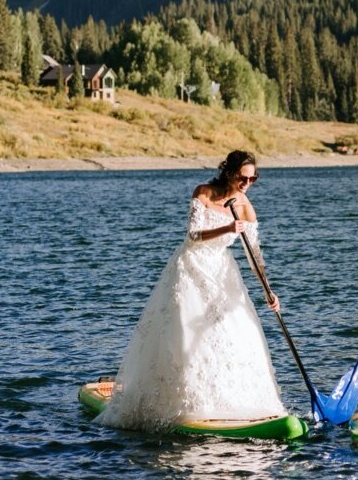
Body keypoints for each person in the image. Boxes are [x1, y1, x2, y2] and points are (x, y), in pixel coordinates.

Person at [99, 150, 287, 429]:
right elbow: (193, 235)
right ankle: (181, 405)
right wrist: (226, 228)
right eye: (243, 178)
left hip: (222, 273)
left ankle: (233, 403)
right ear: (229, 173)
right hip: (191, 267)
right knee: (184, 334)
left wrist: (268, 291)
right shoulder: (204, 193)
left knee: (231, 334)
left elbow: (254, 255)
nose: (248, 184)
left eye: (253, 179)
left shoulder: (246, 206)